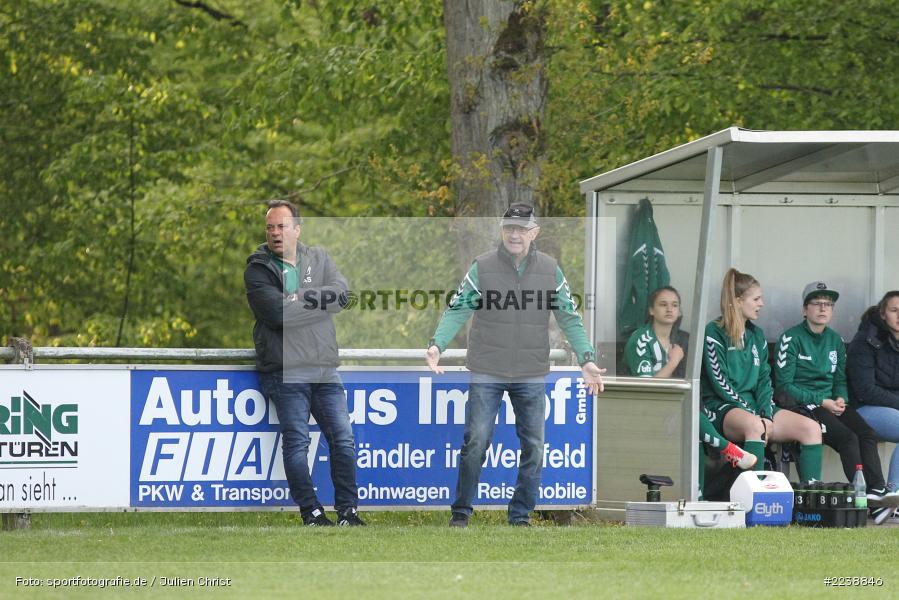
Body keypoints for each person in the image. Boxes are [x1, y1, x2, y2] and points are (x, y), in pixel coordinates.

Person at [425, 203, 605, 527]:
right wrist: (437, 343)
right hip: (487, 368)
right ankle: (460, 514)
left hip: (531, 371)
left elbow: (570, 318)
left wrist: (586, 358)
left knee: (535, 447)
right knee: (477, 441)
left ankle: (520, 516)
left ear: (534, 233)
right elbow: (457, 309)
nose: (514, 234)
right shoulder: (482, 266)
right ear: (502, 231)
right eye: (509, 227)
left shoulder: (551, 269)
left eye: (521, 228)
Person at [244, 200, 364, 527]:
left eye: (281, 226)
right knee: (298, 442)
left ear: (297, 229)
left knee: (344, 440)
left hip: (324, 368)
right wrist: (316, 303)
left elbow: (343, 294)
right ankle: (311, 512)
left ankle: (348, 512)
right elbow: (276, 315)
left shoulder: (319, 258)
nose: (274, 233)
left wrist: (299, 299)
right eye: (270, 227)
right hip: (286, 372)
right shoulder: (257, 268)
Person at [774, 282, 899, 524]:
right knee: (847, 438)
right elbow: (785, 386)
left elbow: (841, 379)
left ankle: (878, 492)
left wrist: (841, 398)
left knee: (866, 433)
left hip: (831, 404)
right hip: (803, 405)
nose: (823, 308)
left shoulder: (835, 340)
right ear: (804, 309)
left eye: (828, 304)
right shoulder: (790, 338)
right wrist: (822, 400)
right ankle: (864, 499)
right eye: (817, 303)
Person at [624, 286, 756, 500]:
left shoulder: (684, 340)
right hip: (645, 410)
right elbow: (648, 389)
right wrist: (674, 361)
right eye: (663, 304)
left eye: (674, 305)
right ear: (651, 310)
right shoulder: (640, 339)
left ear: (680, 311)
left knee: (695, 431)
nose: (669, 309)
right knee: (691, 419)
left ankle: (698, 498)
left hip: (676, 411)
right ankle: (728, 449)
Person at [701, 268, 823, 481]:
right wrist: (757, 416)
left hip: (758, 409)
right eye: (756, 299)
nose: (761, 304)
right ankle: (755, 501)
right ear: (739, 301)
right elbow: (720, 383)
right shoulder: (713, 332)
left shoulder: (756, 334)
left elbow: (764, 380)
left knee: (811, 429)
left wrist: (766, 413)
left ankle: (811, 502)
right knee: (754, 426)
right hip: (723, 407)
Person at [848, 290, 899, 524]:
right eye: (894, 310)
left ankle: (893, 497)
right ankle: (894, 494)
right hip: (862, 410)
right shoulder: (866, 340)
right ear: (883, 314)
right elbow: (865, 390)